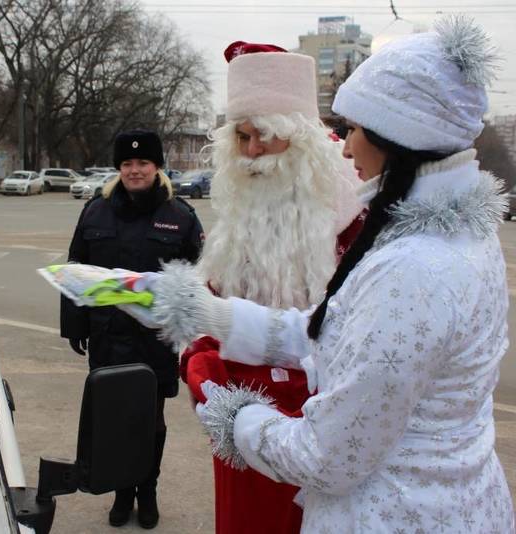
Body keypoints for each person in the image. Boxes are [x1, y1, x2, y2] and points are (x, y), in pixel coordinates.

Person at [145, 15, 514, 532]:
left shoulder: (407, 262)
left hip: (386, 503)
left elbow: (328, 456)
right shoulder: (433, 235)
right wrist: (206, 316)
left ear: (399, 137)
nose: (342, 145)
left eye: (355, 130)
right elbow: (332, 328)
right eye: (242, 136)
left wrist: (233, 415)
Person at [180, 41, 365, 534]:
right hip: (240, 416)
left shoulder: (354, 218)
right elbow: (210, 301)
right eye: (241, 137)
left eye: (265, 134)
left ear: (300, 138)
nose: (253, 151)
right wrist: (195, 353)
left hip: (318, 424)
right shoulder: (240, 206)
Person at [60, 129, 204, 529]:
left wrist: (191, 331)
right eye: (127, 164)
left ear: (157, 167)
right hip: (107, 336)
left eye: (142, 163)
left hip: (155, 339)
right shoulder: (96, 211)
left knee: (151, 421)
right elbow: (76, 267)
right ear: (118, 168)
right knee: (114, 417)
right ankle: (123, 493)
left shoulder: (181, 217)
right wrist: (75, 324)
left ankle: (148, 490)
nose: (134, 170)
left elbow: (200, 279)